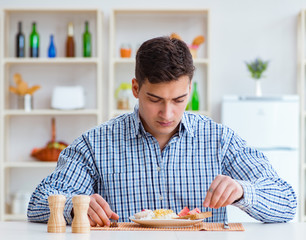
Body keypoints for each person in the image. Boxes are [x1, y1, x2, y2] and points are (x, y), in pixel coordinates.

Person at [28, 36, 297, 226]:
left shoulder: (220, 140)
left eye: (179, 100)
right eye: (155, 100)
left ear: (190, 90)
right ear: (135, 89)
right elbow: (38, 203)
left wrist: (242, 191)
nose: (167, 114)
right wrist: (75, 207)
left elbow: (286, 200)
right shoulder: (95, 144)